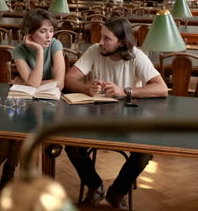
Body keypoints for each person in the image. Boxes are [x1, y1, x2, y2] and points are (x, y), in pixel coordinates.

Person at [64, 16, 168, 209]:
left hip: (128, 120)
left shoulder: (136, 56)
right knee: (72, 146)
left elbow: (161, 88)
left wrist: (125, 91)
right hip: (95, 117)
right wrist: (86, 88)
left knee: (144, 153)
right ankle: (95, 187)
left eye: (107, 38)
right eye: (101, 36)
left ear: (121, 42)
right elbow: (69, 78)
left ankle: (118, 192)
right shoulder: (94, 50)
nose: (100, 42)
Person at [0, 8, 65, 193]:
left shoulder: (55, 45)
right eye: (42, 31)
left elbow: (59, 83)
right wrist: (39, 53)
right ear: (29, 34)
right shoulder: (19, 51)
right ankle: (8, 170)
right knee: (10, 132)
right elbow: (32, 86)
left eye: (51, 30)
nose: (49, 36)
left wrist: (29, 81)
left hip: (50, 106)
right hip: (23, 101)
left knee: (16, 133)